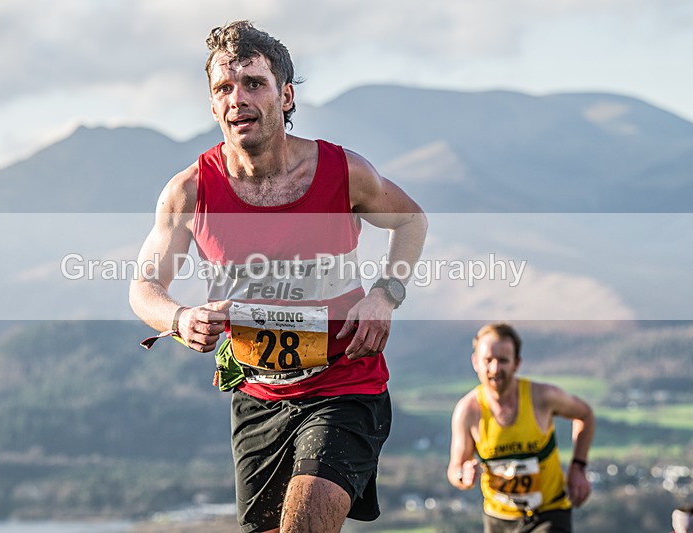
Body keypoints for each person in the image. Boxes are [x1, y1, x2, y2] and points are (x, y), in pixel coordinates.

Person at [129, 20, 427, 533]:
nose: (237, 98)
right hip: (257, 395)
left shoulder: (342, 172)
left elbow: (411, 221)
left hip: (344, 383)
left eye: (253, 84)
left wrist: (384, 294)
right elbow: (144, 286)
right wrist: (180, 318)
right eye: (223, 88)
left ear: (285, 96)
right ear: (212, 105)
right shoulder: (188, 191)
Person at [447, 323, 596, 533]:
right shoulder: (468, 410)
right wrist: (464, 475)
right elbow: (455, 470)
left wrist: (578, 467)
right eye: (488, 360)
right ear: (475, 362)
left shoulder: (542, 397)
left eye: (503, 360)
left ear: (517, 363)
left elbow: (585, 414)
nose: (495, 369)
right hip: (498, 519)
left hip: (548, 512)